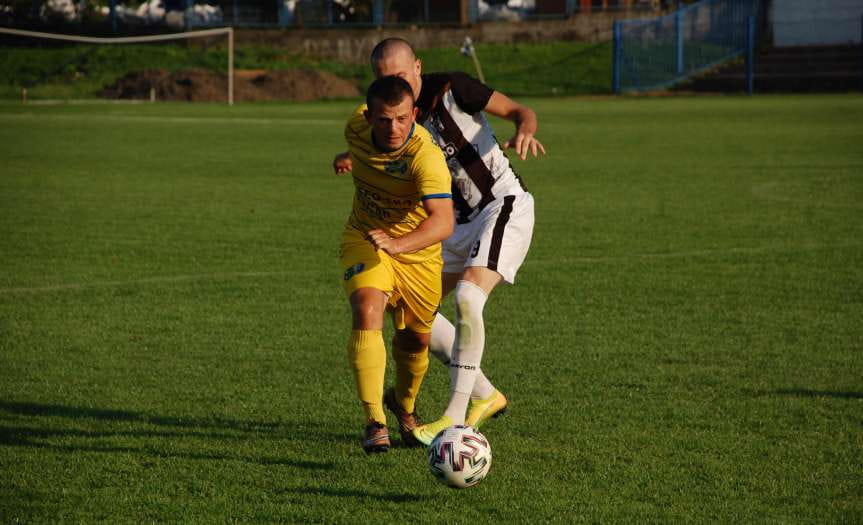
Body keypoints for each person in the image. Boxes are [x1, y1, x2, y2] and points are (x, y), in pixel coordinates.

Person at [334, 38, 545, 446]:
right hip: (455, 223)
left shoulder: (453, 88)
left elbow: (521, 110)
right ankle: (486, 394)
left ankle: (454, 417)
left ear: (417, 68)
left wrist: (525, 129)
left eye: (400, 75)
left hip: (500, 205)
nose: (395, 84)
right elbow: (379, 138)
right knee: (416, 315)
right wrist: (350, 155)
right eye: (384, 79)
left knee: (467, 298)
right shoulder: (395, 116)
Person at [340, 75, 454, 453]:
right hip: (365, 237)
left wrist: (398, 243)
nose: (394, 128)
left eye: (403, 119)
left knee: (415, 340)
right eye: (385, 120)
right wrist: (347, 159)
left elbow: (443, 221)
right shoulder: (355, 127)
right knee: (367, 307)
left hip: (417, 254)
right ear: (369, 116)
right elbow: (358, 149)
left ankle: (404, 409)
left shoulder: (426, 156)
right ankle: (375, 420)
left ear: (415, 115)